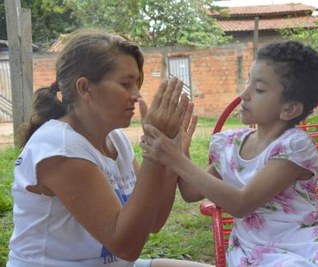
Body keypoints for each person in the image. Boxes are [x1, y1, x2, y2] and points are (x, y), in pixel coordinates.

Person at [140, 41, 318, 266]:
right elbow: (191, 192)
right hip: (254, 251)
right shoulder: (231, 144)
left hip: (305, 245)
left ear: (289, 109)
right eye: (248, 82)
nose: (244, 94)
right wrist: (181, 149)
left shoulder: (294, 147)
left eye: (259, 89)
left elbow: (241, 204)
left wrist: (176, 159)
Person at [7, 29, 212, 267]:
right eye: (126, 84)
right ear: (85, 88)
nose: (136, 95)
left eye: (136, 83)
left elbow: (152, 221)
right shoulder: (60, 148)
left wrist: (168, 155)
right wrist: (155, 153)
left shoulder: (116, 139)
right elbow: (126, 246)